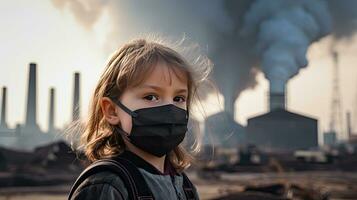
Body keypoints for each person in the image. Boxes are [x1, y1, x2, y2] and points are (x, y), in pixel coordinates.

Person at [68, 36, 213, 200]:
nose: (169, 109)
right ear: (112, 111)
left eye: (178, 99)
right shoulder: (106, 186)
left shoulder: (185, 188)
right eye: (151, 97)